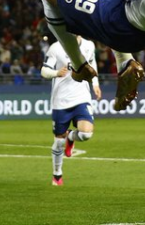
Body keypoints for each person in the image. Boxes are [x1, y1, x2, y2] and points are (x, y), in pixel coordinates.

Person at [41, 37, 102, 187]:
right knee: (58, 141)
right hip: (61, 100)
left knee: (86, 133)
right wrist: (56, 73)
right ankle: (57, 174)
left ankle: (71, 137)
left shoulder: (89, 45)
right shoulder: (56, 47)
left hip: (82, 97)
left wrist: (95, 83)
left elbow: (91, 63)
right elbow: (44, 70)